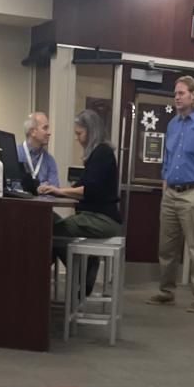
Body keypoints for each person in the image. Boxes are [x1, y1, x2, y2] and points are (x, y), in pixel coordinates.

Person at [148, 75, 194, 313]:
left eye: (181, 93)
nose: (176, 97)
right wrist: (165, 182)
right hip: (171, 193)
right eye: (175, 93)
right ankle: (166, 291)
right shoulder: (173, 124)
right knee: (166, 247)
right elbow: (168, 157)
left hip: (193, 193)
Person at [40, 109, 122, 296]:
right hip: (99, 217)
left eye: (80, 133)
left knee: (54, 231)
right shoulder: (98, 154)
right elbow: (81, 187)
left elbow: (89, 190)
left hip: (103, 219)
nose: (77, 138)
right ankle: (78, 272)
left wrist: (59, 191)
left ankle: (78, 274)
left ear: (91, 131)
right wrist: (56, 191)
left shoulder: (102, 153)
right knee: (53, 223)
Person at [17, 112, 60, 189]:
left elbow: (54, 190)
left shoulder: (50, 161)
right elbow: (11, 186)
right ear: (33, 132)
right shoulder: (15, 154)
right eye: (45, 128)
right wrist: (40, 187)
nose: (49, 133)